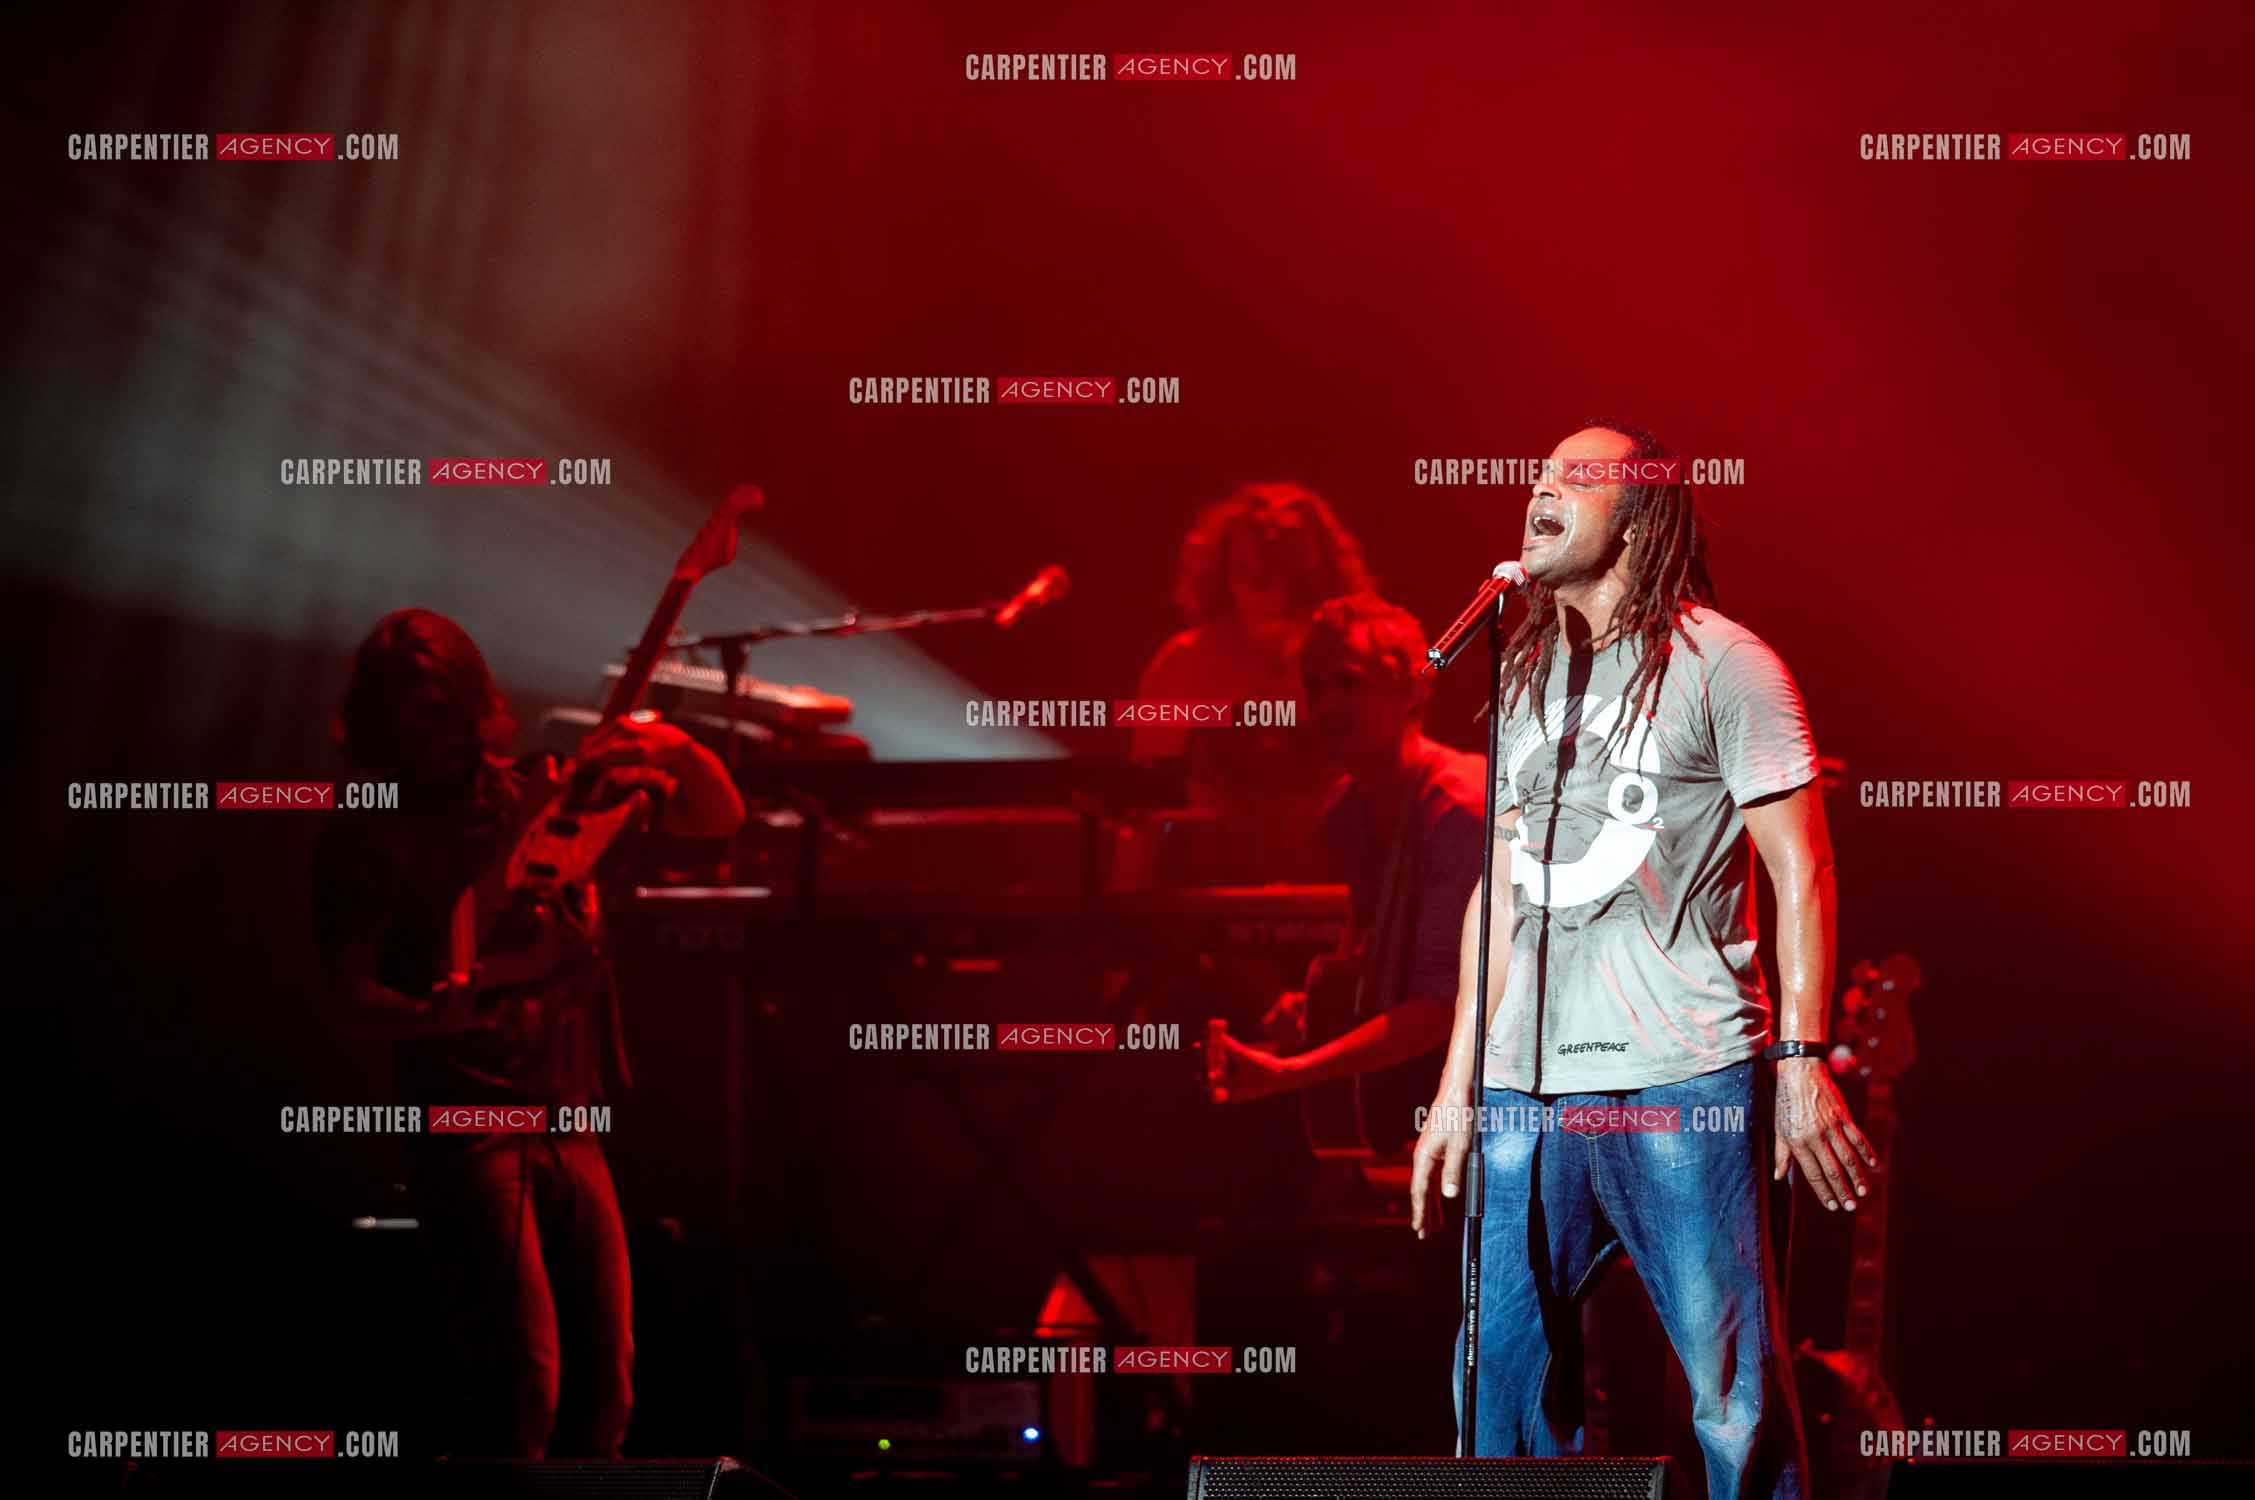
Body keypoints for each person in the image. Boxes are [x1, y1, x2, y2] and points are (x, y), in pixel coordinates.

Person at [1408, 423, 1872, 1499]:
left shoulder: (1727, 664)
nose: (1540, 486)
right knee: (1497, 1395)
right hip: (1525, 1086)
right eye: (1537, 471)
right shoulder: (1524, 677)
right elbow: (1500, 886)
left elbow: (1800, 868)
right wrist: (1453, 1090)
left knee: (1729, 1397)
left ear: (1644, 512)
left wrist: (1799, 1063)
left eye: (1578, 475)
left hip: (1679, 1076)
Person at [309, 608, 744, 1458]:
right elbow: (349, 995)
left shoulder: (541, 795)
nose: (430, 738)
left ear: (471, 705)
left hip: (571, 1115)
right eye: (409, 718)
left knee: (609, 1382)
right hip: (468, 1125)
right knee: (525, 1383)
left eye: (440, 713)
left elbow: (715, 819)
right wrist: (429, 1015)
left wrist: (674, 750)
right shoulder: (364, 833)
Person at [1206, 593, 1483, 1145]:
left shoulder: (1460, 809)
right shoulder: (1345, 809)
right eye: (1316, 686)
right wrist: (1311, 1010)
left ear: (1413, 687)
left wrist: (1290, 1072)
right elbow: (1373, 958)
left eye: (1349, 683)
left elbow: (1442, 1005)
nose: (1327, 705)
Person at [1133, 481, 1371, 883]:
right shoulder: (1184, 662)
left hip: (1330, 880)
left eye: (1286, 574)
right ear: (1225, 572)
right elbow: (1144, 800)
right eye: (1252, 572)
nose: (1270, 592)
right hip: (1205, 889)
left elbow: (1388, 779)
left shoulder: (1359, 657)